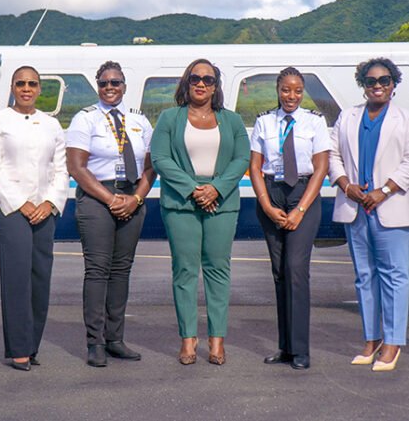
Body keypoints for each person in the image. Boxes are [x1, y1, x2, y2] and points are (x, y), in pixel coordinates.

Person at [150, 59, 249, 366]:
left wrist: (216, 188)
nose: (201, 84)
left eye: (208, 79)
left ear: (216, 85)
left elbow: (241, 159)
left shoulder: (232, 120)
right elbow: (160, 158)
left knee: (218, 269)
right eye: (195, 78)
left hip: (222, 203)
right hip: (181, 203)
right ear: (187, 82)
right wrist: (193, 189)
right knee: (185, 270)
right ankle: (188, 338)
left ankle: (217, 339)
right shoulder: (169, 118)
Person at [66, 61, 156, 367]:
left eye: (115, 82)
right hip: (97, 197)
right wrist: (110, 199)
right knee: (97, 270)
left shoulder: (139, 120)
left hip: (131, 196)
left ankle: (115, 338)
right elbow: (76, 167)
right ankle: (95, 342)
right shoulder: (85, 118)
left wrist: (136, 198)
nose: (109, 88)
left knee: (121, 271)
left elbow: (150, 166)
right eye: (104, 83)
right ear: (97, 86)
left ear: (124, 86)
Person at [0, 66, 68, 371]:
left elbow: (61, 169)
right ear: (12, 88)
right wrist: (22, 203)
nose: (27, 89)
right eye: (21, 84)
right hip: (11, 209)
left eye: (32, 84)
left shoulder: (52, 124)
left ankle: (32, 345)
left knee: (40, 278)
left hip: (45, 208)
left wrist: (50, 201)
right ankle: (18, 348)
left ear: (40, 88)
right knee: (17, 278)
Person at [329, 58, 409, 372]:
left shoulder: (404, 119)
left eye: (384, 80)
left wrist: (384, 190)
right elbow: (332, 154)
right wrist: (345, 184)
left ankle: (393, 342)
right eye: (371, 80)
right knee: (364, 276)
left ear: (394, 84)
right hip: (356, 207)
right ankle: (371, 339)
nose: (378, 86)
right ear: (362, 85)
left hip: (390, 206)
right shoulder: (347, 117)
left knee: (394, 276)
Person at [249, 67, 330, 370]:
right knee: (280, 272)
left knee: (296, 269)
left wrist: (300, 210)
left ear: (302, 91)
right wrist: (267, 205)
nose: (291, 96)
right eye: (286, 89)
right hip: (272, 195)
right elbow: (255, 167)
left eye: (297, 90)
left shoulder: (314, 122)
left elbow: (320, 168)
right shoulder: (264, 121)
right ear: (277, 90)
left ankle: (300, 350)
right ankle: (285, 347)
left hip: (302, 195)